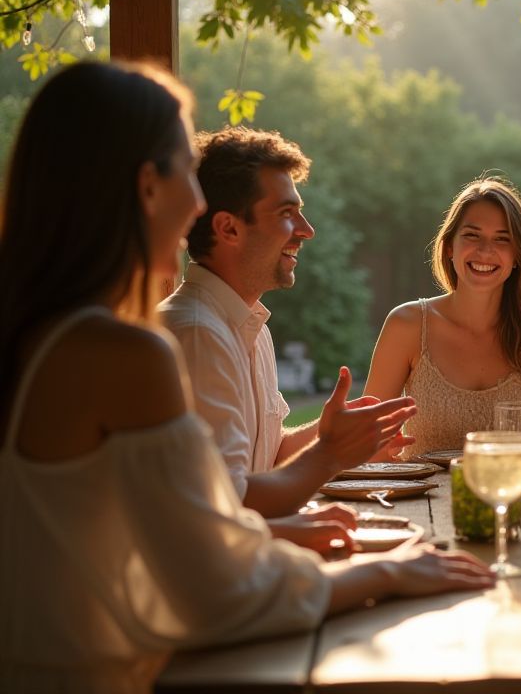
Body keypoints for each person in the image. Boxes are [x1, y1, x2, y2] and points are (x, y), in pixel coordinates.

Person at [0, 61, 494, 693]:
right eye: (186, 171)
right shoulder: (127, 351)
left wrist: (325, 451)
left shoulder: (46, 334)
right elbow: (213, 590)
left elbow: (164, 529)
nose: (198, 203)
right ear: (147, 186)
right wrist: (390, 573)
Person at [159, 127, 416, 544]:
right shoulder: (196, 335)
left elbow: (268, 457)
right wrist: (331, 455)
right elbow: (228, 504)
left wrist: (326, 432)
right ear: (228, 229)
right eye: (286, 213)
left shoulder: (247, 325)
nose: (306, 229)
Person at [363, 175, 521, 454]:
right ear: (449, 248)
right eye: (472, 235)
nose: (485, 251)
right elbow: (364, 446)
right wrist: (379, 453)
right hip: (423, 499)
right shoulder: (406, 325)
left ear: (517, 256)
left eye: (502, 239)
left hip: (516, 497)